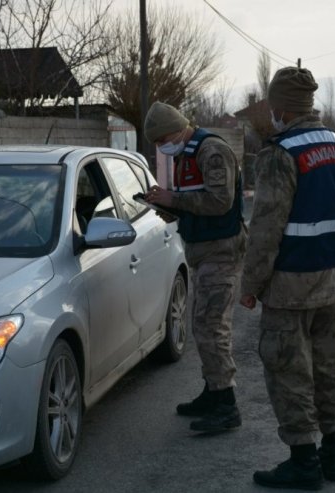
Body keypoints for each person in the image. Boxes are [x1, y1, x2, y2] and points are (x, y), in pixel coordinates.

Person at [240, 67, 335, 490]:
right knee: (329, 368)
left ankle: (304, 462)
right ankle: (334, 457)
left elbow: (266, 228)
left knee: (290, 373)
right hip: (332, 280)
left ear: (281, 108)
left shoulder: (280, 153)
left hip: (290, 285)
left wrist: (250, 286)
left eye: (273, 106)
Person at [143, 101, 247, 433]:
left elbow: (220, 201)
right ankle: (213, 391)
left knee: (211, 326)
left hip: (221, 250)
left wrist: (173, 200)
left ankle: (226, 405)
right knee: (204, 325)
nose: (162, 148)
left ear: (176, 130)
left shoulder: (210, 150)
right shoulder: (186, 154)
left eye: (162, 141)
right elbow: (195, 202)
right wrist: (169, 208)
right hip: (203, 249)